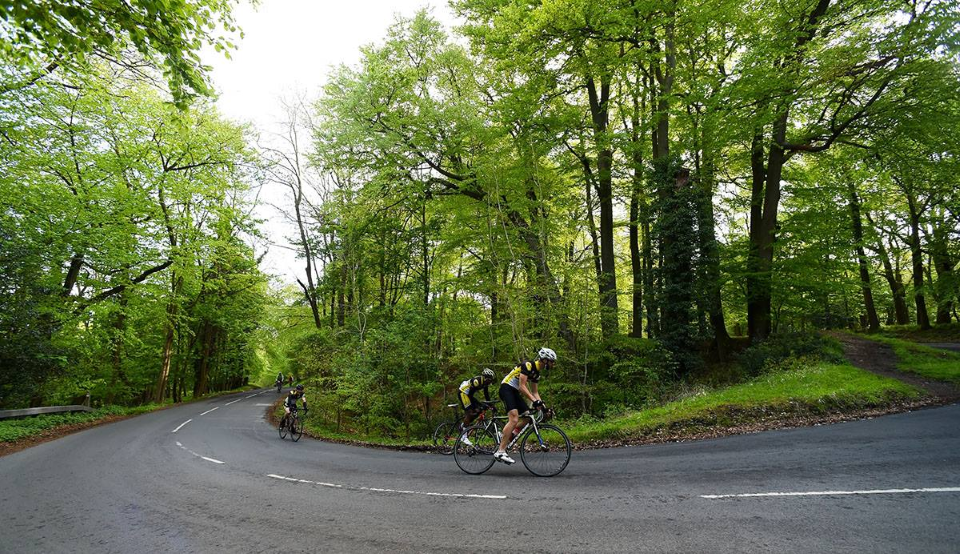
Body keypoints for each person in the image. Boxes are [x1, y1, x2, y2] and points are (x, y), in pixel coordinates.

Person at [493, 347, 556, 464]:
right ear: (545, 360)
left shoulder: (536, 374)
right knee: (514, 418)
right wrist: (534, 401)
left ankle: (507, 435)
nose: (553, 364)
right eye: (552, 361)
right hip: (506, 388)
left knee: (527, 418)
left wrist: (543, 406)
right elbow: (522, 386)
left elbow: (535, 393)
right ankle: (500, 451)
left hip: (514, 391)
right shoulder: (528, 365)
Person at [457, 368, 496, 444]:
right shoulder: (477, 381)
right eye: (490, 379)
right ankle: (463, 436)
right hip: (463, 393)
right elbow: (470, 396)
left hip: (469, 395)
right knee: (470, 412)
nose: (491, 381)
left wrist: (491, 405)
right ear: (486, 378)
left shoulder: (485, 383)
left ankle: (463, 425)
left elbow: (486, 394)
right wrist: (473, 407)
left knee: (480, 409)